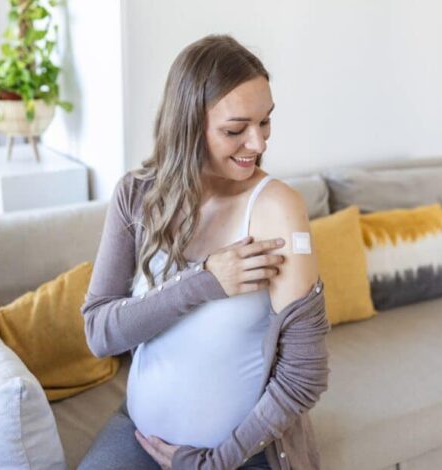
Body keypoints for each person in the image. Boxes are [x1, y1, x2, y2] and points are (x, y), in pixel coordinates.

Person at [79, 34, 330, 470]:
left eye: (265, 122)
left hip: (240, 452)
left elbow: (304, 375)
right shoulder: (137, 197)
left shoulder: (276, 208)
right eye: (236, 130)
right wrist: (204, 282)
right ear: (189, 125)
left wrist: (213, 462)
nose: (258, 144)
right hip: (138, 430)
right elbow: (100, 334)